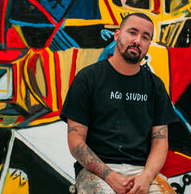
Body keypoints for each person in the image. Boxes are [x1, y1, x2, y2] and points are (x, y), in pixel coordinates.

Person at [60, 13, 177, 194]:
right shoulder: (88, 79)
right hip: (98, 171)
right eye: (132, 32)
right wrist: (110, 176)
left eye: (145, 37)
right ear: (117, 35)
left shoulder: (155, 86)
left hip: (141, 172)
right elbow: (75, 141)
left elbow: (160, 143)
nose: (138, 41)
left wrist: (145, 177)